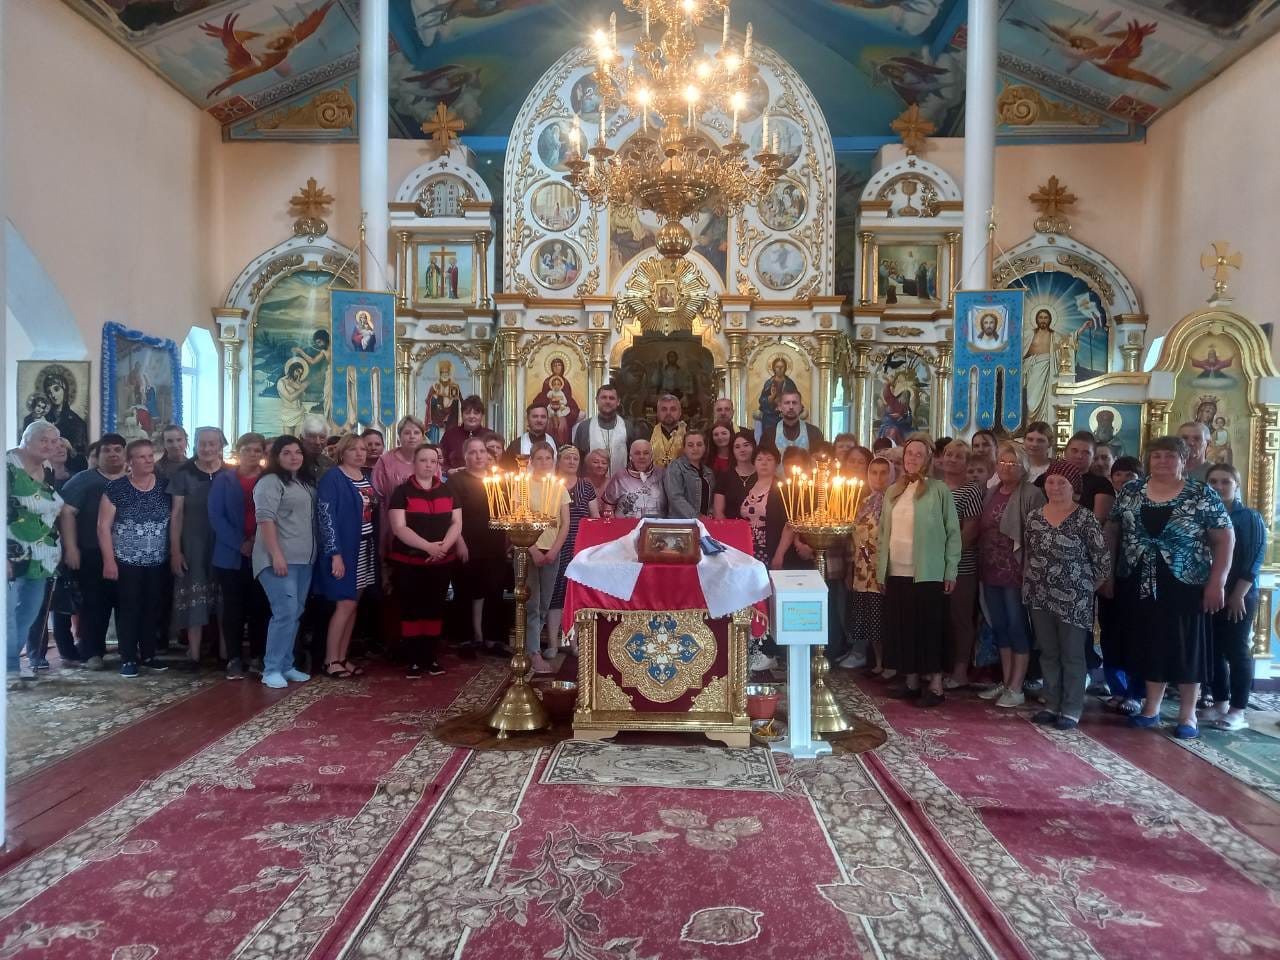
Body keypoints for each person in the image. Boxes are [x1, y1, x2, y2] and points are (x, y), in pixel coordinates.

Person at [1106, 435, 1233, 739]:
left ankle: (1187, 714)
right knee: (1150, 642)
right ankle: (1151, 707)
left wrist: (1218, 582)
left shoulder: (1199, 493)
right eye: (1157, 456)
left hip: (1186, 581)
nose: (1162, 461)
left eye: (1170, 456)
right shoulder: (1132, 491)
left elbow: (1224, 538)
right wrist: (1107, 573)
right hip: (1138, 578)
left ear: (1184, 460)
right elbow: (1112, 530)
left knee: (1187, 645)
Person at [1023, 460, 1111, 730]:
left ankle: (1071, 708)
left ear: (1074, 487)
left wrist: (1083, 589)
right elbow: (1029, 554)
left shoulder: (1085, 518)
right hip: (1039, 594)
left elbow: (1102, 562)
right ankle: (1051, 703)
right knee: (1048, 652)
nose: (1055, 486)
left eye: (1063, 482)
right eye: (1051, 481)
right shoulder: (1035, 517)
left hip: (1075, 599)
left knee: (1072, 654)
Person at [875, 435, 960, 707]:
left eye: (918, 454)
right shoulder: (893, 490)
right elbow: (884, 533)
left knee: (929, 626)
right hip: (897, 569)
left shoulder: (939, 490)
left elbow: (952, 532)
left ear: (928, 459)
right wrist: (881, 571)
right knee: (904, 626)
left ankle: (935, 685)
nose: (912, 458)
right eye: (909, 453)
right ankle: (910, 680)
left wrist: (950, 569)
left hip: (928, 570)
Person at [977, 442, 1046, 708]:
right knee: (1000, 627)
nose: (1006, 467)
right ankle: (1006, 682)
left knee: (1018, 627)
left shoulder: (1031, 494)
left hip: (1016, 571)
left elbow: (1036, 536)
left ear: (1024, 467)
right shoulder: (992, 491)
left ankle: (1017, 686)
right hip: (991, 569)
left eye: (1012, 463)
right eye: (1002, 463)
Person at [97, 438, 171, 679]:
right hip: (126, 560)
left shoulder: (164, 486)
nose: (148, 460)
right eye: (142, 456)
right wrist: (109, 560)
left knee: (152, 608)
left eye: (151, 456)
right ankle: (128, 657)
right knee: (129, 609)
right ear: (130, 461)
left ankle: (148, 654)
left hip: (156, 560)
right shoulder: (116, 488)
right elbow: (102, 526)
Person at [388, 443, 461, 678]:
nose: (428, 465)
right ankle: (413, 660)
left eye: (433, 461)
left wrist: (444, 548)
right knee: (411, 608)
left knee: (434, 608)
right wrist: (427, 546)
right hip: (409, 561)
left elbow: (456, 523)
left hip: (441, 561)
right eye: (423, 460)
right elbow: (399, 527)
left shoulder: (448, 491)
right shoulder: (402, 492)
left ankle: (430, 657)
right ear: (414, 463)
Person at [1204, 464, 1266, 731]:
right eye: (1213, 482)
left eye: (1225, 482)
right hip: (1210, 591)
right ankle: (1219, 701)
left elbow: (1253, 559)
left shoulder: (1248, 517)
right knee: (1213, 649)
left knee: (1237, 649)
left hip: (1238, 594)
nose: (1218, 487)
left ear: (1236, 485)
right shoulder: (1206, 515)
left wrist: (1238, 594)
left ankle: (1238, 710)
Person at [59, 433, 128, 670]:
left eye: (117, 449)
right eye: (106, 450)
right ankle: (92, 652)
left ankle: (127, 650)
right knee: (94, 605)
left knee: (126, 603)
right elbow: (67, 513)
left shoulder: (135, 478)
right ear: (97, 456)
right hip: (91, 551)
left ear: (125, 453)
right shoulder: (83, 480)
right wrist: (71, 547)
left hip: (129, 554)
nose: (113, 454)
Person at [253, 436, 316, 689]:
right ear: (276, 456)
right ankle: (271, 669)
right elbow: (265, 519)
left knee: (295, 613)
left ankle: (287, 665)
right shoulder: (270, 482)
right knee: (285, 612)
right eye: (287, 452)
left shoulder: (303, 482)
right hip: (278, 559)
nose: (294, 457)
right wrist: (276, 554)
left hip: (304, 559)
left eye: (297, 452)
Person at [315, 434, 378, 679]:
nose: (360, 453)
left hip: (364, 547)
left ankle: (343, 656)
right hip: (344, 549)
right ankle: (331, 659)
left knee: (354, 605)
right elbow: (326, 518)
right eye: (353, 449)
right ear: (342, 452)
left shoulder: (364, 476)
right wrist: (335, 554)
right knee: (344, 604)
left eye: (362, 449)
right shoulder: (333, 477)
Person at [7, 421, 65, 679]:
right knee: (6, 614)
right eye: (43, 440)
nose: (49, 446)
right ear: (25, 438)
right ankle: (8, 667)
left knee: (28, 612)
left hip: (42, 555)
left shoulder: (48, 468)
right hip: (10, 551)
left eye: (54, 441)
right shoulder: (7, 465)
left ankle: (8, 662)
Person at [210, 433, 269, 680]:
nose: (253, 454)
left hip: (261, 552)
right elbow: (216, 516)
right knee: (233, 608)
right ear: (239, 451)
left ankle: (257, 655)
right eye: (248, 449)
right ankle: (234, 657)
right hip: (230, 554)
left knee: (259, 607)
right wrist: (239, 543)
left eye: (257, 450)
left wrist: (255, 540)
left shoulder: (269, 479)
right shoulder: (224, 480)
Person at [168, 426, 229, 670]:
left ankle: (226, 653)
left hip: (223, 543)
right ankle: (193, 653)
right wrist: (175, 550)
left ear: (220, 446)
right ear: (195, 445)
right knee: (195, 597)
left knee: (225, 599)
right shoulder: (184, 474)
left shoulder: (229, 474)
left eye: (212, 444)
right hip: (193, 543)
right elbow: (177, 515)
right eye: (202, 443)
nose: (206, 448)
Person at [450, 435, 511, 656]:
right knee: (467, 590)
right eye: (473, 452)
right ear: (465, 456)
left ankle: (492, 638)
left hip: (494, 542)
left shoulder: (498, 480)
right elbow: (453, 516)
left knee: (494, 589)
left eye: (482, 452)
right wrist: (459, 542)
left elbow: (505, 512)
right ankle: (469, 638)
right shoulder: (457, 481)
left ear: (488, 455)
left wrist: (508, 540)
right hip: (467, 541)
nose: (478, 456)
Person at [1099, 456, 1146, 715]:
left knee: (1135, 636)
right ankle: (1117, 688)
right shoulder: (1110, 504)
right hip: (1109, 577)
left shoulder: (1145, 504)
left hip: (1136, 580)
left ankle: (1136, 693)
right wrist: (1106, 576)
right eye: (1118, 474)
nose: (1123, 479)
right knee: (1110, 634)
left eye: (1130, 475)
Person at [938, 438, 983, 689]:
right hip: (933, 564)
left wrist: (949, 558)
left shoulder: (970, 490)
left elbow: (971, 529)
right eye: (948, 454)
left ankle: (960, 671)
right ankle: (939, 667)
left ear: (966, 462)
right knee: (940, 618)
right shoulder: (934, 486)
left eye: (958, 456)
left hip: (960, 565)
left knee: (961, 618)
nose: (952, 459)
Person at [524, 442, 571, 673]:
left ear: (553, 462)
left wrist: (554, 550)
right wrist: (532, 548)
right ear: (531, 461)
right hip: (528, 550)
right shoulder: (522, 486)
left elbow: (565, 524)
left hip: (553, 550)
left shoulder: (559, 488)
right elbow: (519, 520)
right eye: (539, 458)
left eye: (547, 459)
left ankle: (531, 647)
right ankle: (533, 652)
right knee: (531, 603)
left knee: (545, 603)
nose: (543, 463)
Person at [549, 445, 600, 655]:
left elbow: (594, 517)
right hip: (555, 543)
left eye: (575, 458)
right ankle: (552, 643)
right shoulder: (550, 485)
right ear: (559, 461)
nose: (571, 462)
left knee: (575, 593)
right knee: (555, 593)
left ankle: (573, 642)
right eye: (567, 458)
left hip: (579, 546)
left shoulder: (586, 486)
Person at [843, 455, 891, 672]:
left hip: (884, 569)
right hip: (862, 570)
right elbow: (855, 538)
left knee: (884, 618)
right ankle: (877, 662)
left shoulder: (894, 502)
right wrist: (851, 568)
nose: (878, 478)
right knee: (869, 618)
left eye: (883, 473)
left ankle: (889, 664)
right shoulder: (864, 502)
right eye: (874, 472)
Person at [573, 384, 634, 476]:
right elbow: (578, 460)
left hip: (621, 484)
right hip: (592, 485)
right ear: (597, 400)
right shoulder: (584, 427)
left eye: (612, 398)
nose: (607, 401)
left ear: (618, 402)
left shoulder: (628, 427)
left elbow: (634, 458)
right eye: (604, 397)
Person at [602, 439, 666, 518]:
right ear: (630, 457)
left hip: (656, 527)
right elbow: (608, 505)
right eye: (637, 453)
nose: (641, 457)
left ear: (651, 456)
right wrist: (613, 525)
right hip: (625, 527)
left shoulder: (663, 474)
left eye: (646, 453)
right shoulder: (620, 476)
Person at [663, 429, 716, 520]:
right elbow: (675, 498)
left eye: (699, 445)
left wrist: (710, 514)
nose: (695, 448)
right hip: (681, 523)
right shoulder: (675, 467)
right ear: (684, 448)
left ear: (705, 447)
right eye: (690, 445)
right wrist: (697, 517)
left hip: (705, 524)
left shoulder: (709, 472)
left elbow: (713, 500)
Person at [713, 433, 758, 520]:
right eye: (737, 447)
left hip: (758, 529)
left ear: (753, 447)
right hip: (731, 528)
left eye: (746, 445)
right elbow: (718, 512)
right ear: (732, 451)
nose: (742, 450)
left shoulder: (762, 475)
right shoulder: (724, 476)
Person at [771, 389, 823, 461]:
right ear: (780, 407)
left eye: (794, 403)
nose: (791, 407)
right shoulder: (769, 434)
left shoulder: (814, 432)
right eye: (787, 403)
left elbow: (820, 461)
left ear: (801, 406)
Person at [441, 395, 486, 472]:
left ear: (482, 416)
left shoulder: (489, 435)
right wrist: (449, 470)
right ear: (462, 415)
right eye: (467, 413)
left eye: (476, 413)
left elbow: (497, 461)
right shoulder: (450, 435)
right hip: (455, 480)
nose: (472, 416)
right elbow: (440, 460)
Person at [649, 394, 687, 468]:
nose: (668, 413)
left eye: (673, 409)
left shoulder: (689, 434)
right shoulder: (648, 434)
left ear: (680, 412)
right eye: (664, 409)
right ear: (657, 413)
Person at [300, 414, 334, 484]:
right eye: (312, 437)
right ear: (302, 438)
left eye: (322, 437)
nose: (317, 442)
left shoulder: (330, 464)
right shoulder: (294, 463)